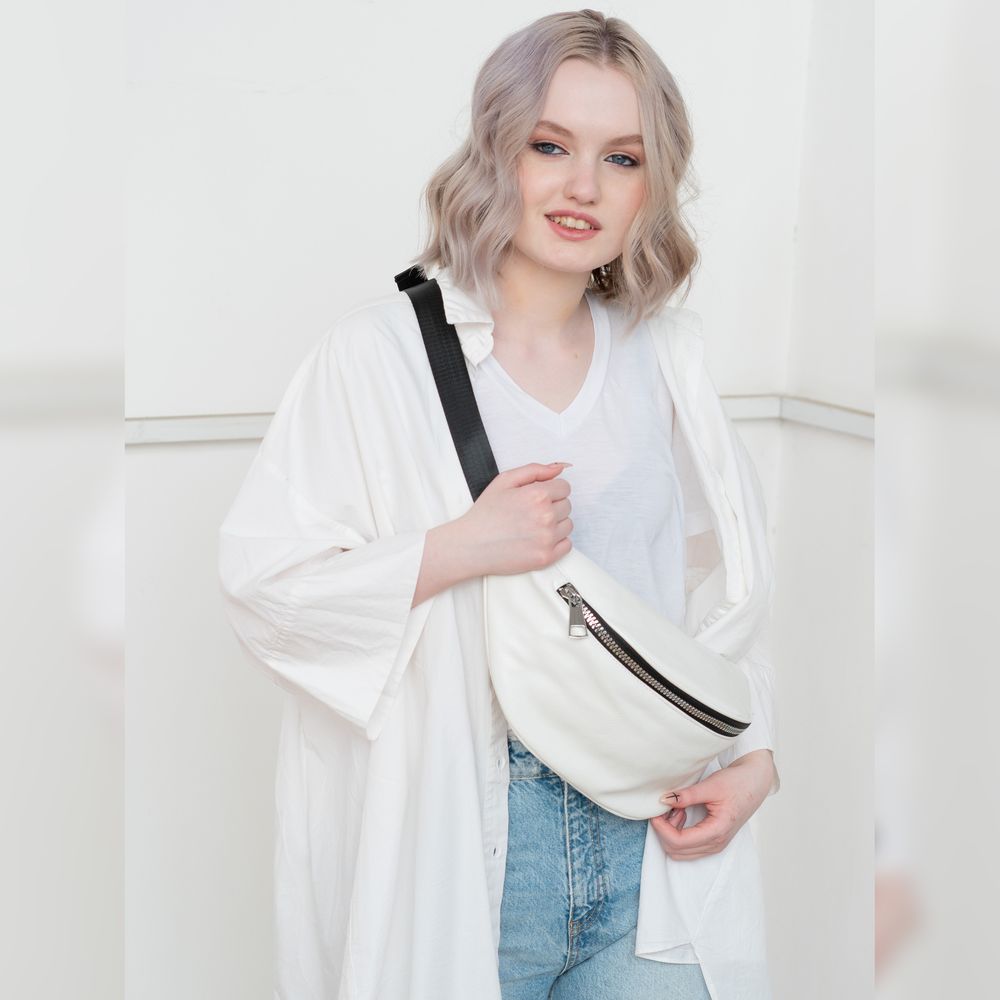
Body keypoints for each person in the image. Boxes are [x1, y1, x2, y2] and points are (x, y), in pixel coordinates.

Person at [219, 9, 781, 1000]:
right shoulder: (378, 359)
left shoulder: (665, 359)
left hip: (651, 830)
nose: (582, 186)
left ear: (651, 186)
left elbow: (722, 588)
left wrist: (755, 754)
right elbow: (267, 587)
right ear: (495, 152)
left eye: (622, 158)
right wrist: (460, 546)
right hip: (473, 837)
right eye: (549, 145)